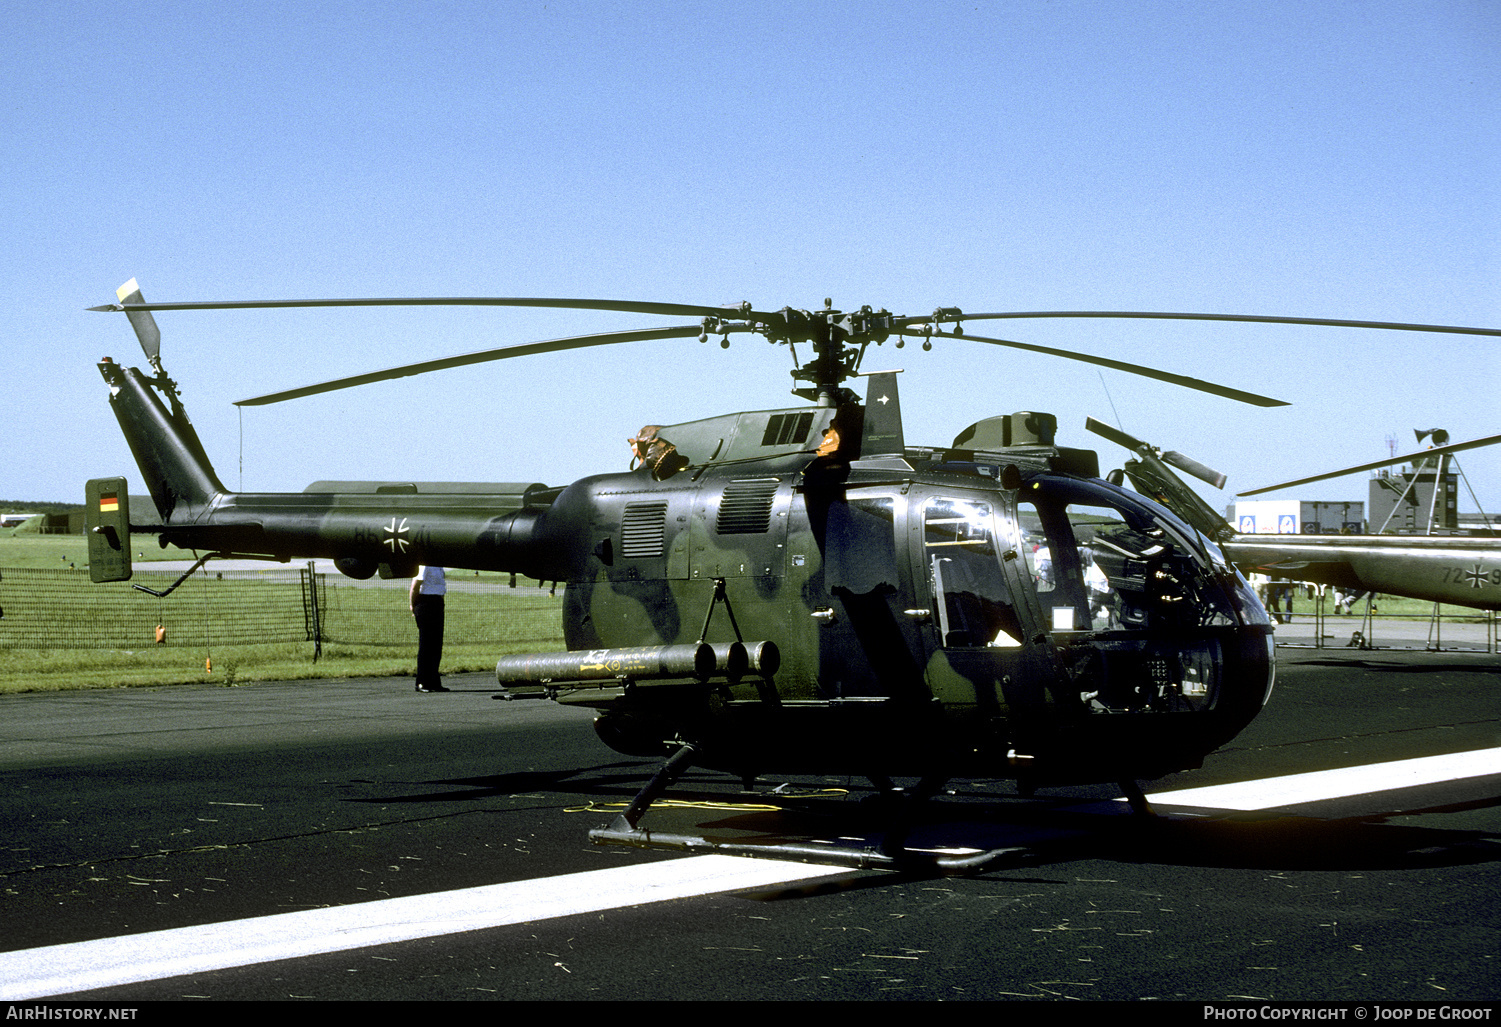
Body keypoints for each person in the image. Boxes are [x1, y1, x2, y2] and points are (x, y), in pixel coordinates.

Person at [410, 565, 448, 692]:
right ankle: (421, 682)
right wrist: (412, 605)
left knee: (436, 644)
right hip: (425, 602)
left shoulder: (439, 566)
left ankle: (434, 681)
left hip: (437, 601)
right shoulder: (424, 565)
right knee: (426, 644)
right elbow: (415, 586)